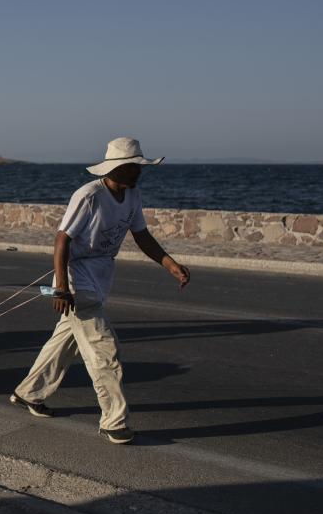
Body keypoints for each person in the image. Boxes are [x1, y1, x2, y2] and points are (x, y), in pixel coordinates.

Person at [10, 137, 191, 444]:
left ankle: (29, 392)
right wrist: (62, 289)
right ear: (116, 168)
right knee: (105, 352)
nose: (137, 173)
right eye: (132, 167)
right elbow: (62, 240)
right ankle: (114, 421)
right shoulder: (89, 196)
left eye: (139, 167)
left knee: (64, 342)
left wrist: (169, 264)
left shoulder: (132, 195)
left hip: (100, 276)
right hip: (77, 279)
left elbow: (142, 235)